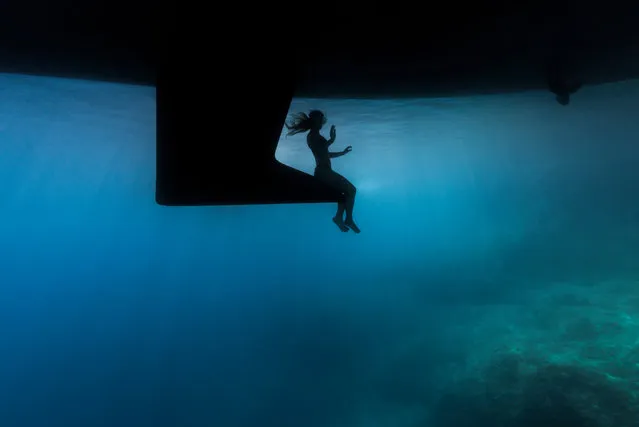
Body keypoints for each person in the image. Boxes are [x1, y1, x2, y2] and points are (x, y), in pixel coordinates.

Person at [285, 110, 360, 233]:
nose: (322, 121)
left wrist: (342, 151)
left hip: (325, 172)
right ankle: (349, 219)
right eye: (320, 119)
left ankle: (339, 218)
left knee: (344, 193)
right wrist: (331, 140)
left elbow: (325, 154)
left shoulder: (315, 136)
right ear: (315, 121)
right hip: (323, 173)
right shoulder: (313, 136)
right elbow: (323, 150)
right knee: (351, 190)